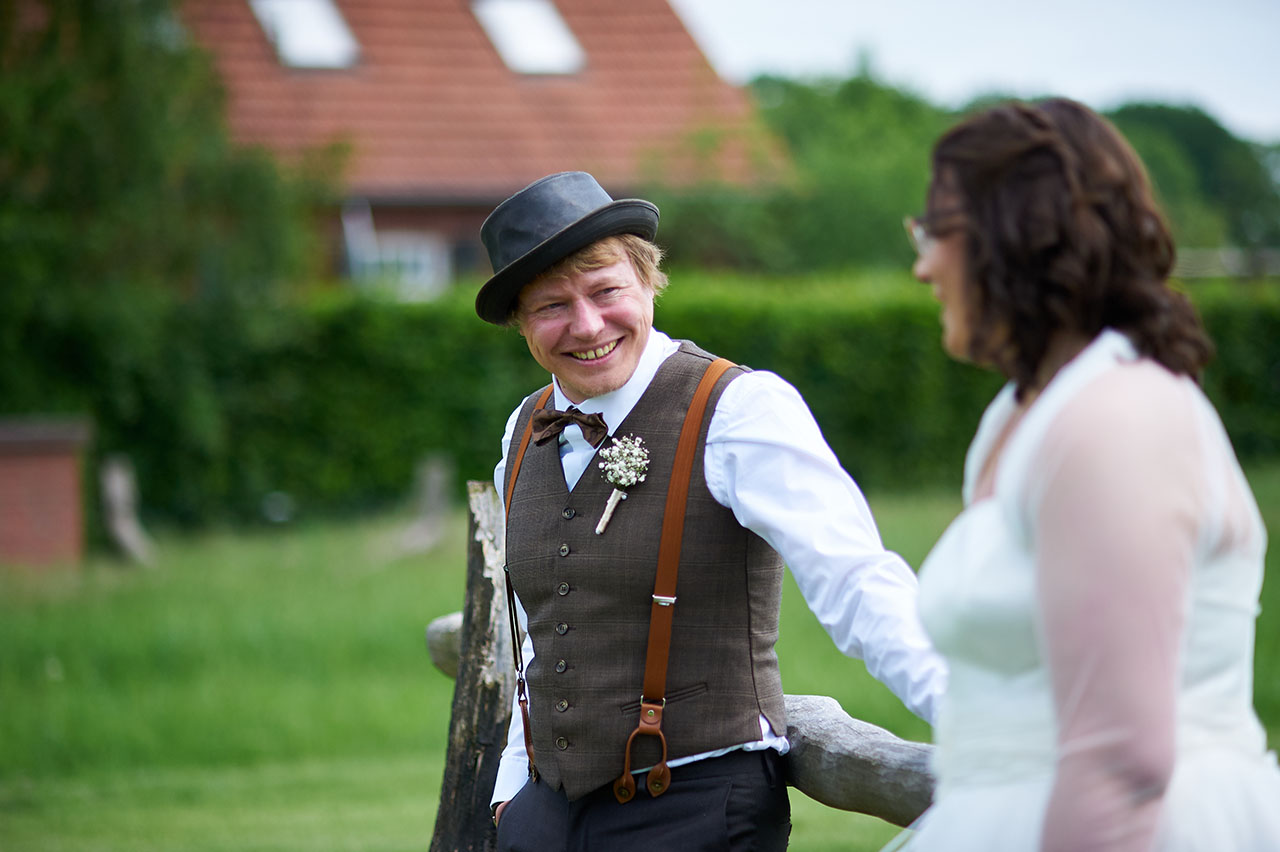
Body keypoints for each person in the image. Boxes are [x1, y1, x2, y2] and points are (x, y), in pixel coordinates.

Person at [475, 170, 946, 851]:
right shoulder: (523, 430)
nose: (586, 325)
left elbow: (856, 579)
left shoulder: (738, 408)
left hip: (693, 811)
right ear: (521, 323)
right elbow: (534, 636)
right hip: (545, 818)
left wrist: (974, 717)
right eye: (551, 306)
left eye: (606, 291)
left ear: (647, 281)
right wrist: (510, 793)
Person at [896, 98, 1280, 850]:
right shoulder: (1017, 415)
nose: (922, 265)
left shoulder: (1119, 419)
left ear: (1013, 237)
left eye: (934, 230)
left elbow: (1122, 762)